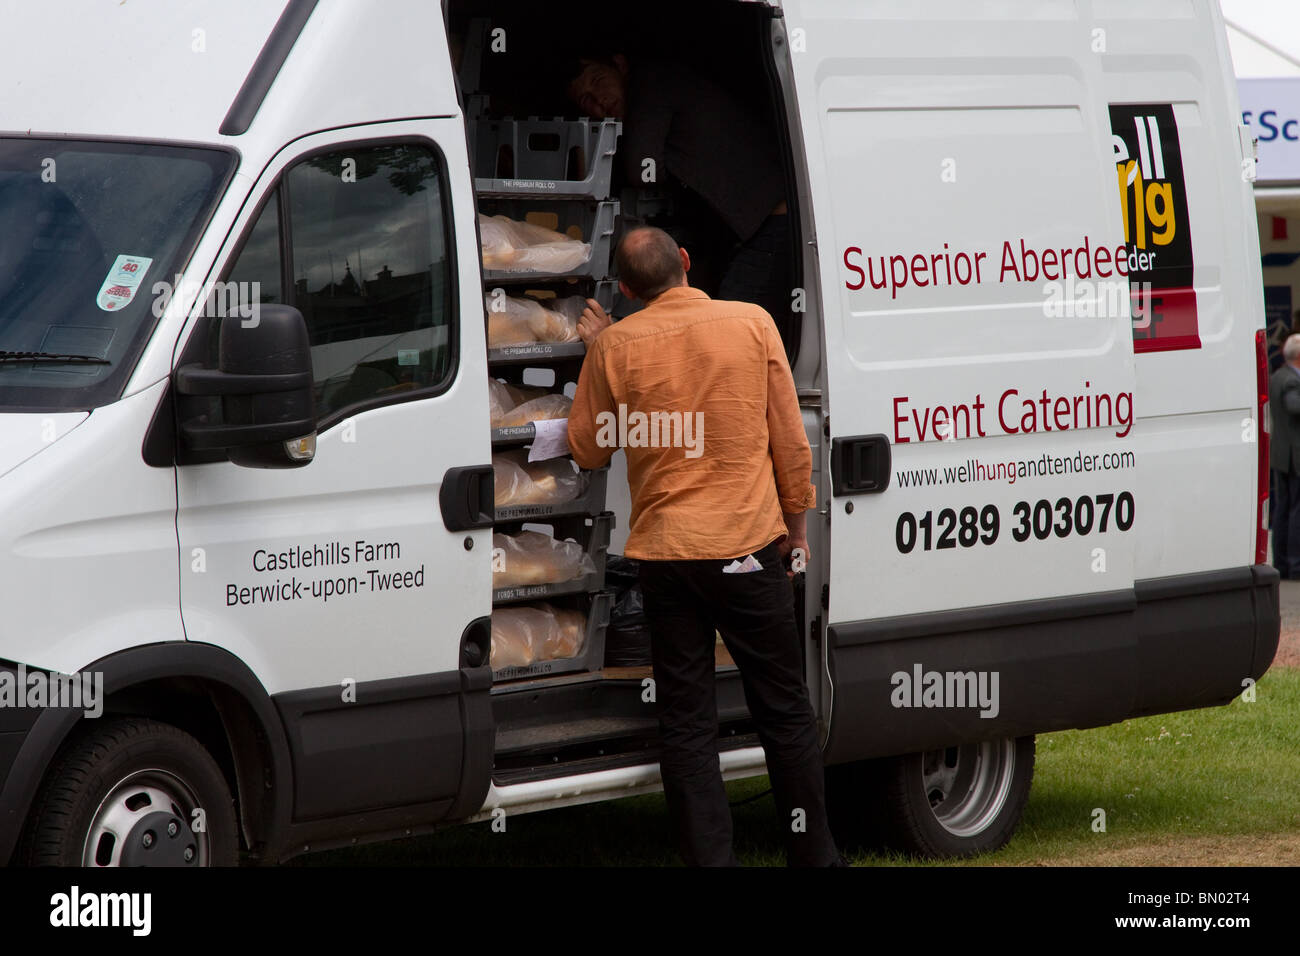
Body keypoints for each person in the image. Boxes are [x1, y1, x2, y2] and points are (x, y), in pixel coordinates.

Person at [566, 226, 843, 867]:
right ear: (687, 261)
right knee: (782, 707)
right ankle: (815, 856)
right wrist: (794, 532)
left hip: (665, 560)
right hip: (747, 545)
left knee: (687, 724)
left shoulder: (616, 345)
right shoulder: (752, 323)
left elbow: (587, 448)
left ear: (628, 289)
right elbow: (789, 443)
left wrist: (598, 348)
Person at [565, 54, 793, 338]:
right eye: (587, 100)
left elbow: (642, 168)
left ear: (621, 64)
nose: (600, 100)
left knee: (733, 331)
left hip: (770, 223)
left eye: (599, 81)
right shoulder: (658, 82)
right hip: (752, 226)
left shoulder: (650, 81)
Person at [1271, 333, 1300, 579]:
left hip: (1280, 454)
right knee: (1295, 510)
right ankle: (1294, 564)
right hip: (1294, 456)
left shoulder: (1277, 376)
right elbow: (1293, 406)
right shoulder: (1292, 380)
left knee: (1282, 509)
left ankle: (1281, 561)